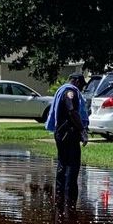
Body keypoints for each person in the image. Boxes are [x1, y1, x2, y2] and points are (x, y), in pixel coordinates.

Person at [46, 71, 89, 208]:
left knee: (62, 164)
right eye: (81, 85)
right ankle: (69, 199)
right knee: (72, 165)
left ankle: (60, 196)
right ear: (76, 81)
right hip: (69, 133)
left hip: (60, 133)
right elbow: (71, 110)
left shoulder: (62, 90)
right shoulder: (70, 92)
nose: (81, 89)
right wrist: (82, 129)